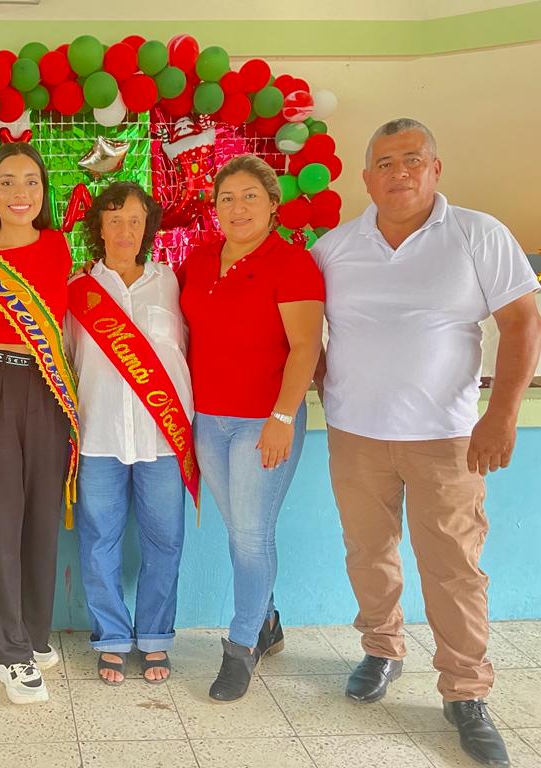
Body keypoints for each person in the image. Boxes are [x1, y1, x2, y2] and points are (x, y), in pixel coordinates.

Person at [312, 118, 541, 768]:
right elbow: (303, 329)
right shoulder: (334, 248)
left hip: (447, 441)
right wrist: (328, 381)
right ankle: (381, 649)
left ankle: (466, 692)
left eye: (413, 159)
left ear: (435, 168)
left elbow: (523, 322)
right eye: (385, 163)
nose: (400, 173)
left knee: (453, 567)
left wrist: (500, 416)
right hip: (356, 437)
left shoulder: (478, 234)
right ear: (366, 178)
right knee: (368, 554)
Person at [180, 154, 325, 702]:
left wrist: (282, 418)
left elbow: (306, 347)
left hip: (264, 421)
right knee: (240, 528)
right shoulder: (198, 260)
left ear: (272, 204)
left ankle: (242, 646)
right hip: (208, 420)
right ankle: (268, 620)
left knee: (250, 534)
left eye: (249, 196)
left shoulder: (292, 262)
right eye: (227, 198)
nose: (237, 207)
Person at [0, 142, 77, 705]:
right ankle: (8, 652)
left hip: (48, 389)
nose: (20, 192)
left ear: (43, 191)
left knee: (41, 518)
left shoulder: (58, 246)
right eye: (7, 181)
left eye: (31, 181)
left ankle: (31, 630)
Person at [66, 182, 195, 685]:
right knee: (99, 541)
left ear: (148, 227)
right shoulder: (77, 290)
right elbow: (67, 359)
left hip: (162, 438)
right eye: (115, 219)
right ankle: (112, 638)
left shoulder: (172, 283)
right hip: (99, 434)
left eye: (135, 220)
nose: (125, 229)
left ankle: (156, 635)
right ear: (99, 227)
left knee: (166, 540)